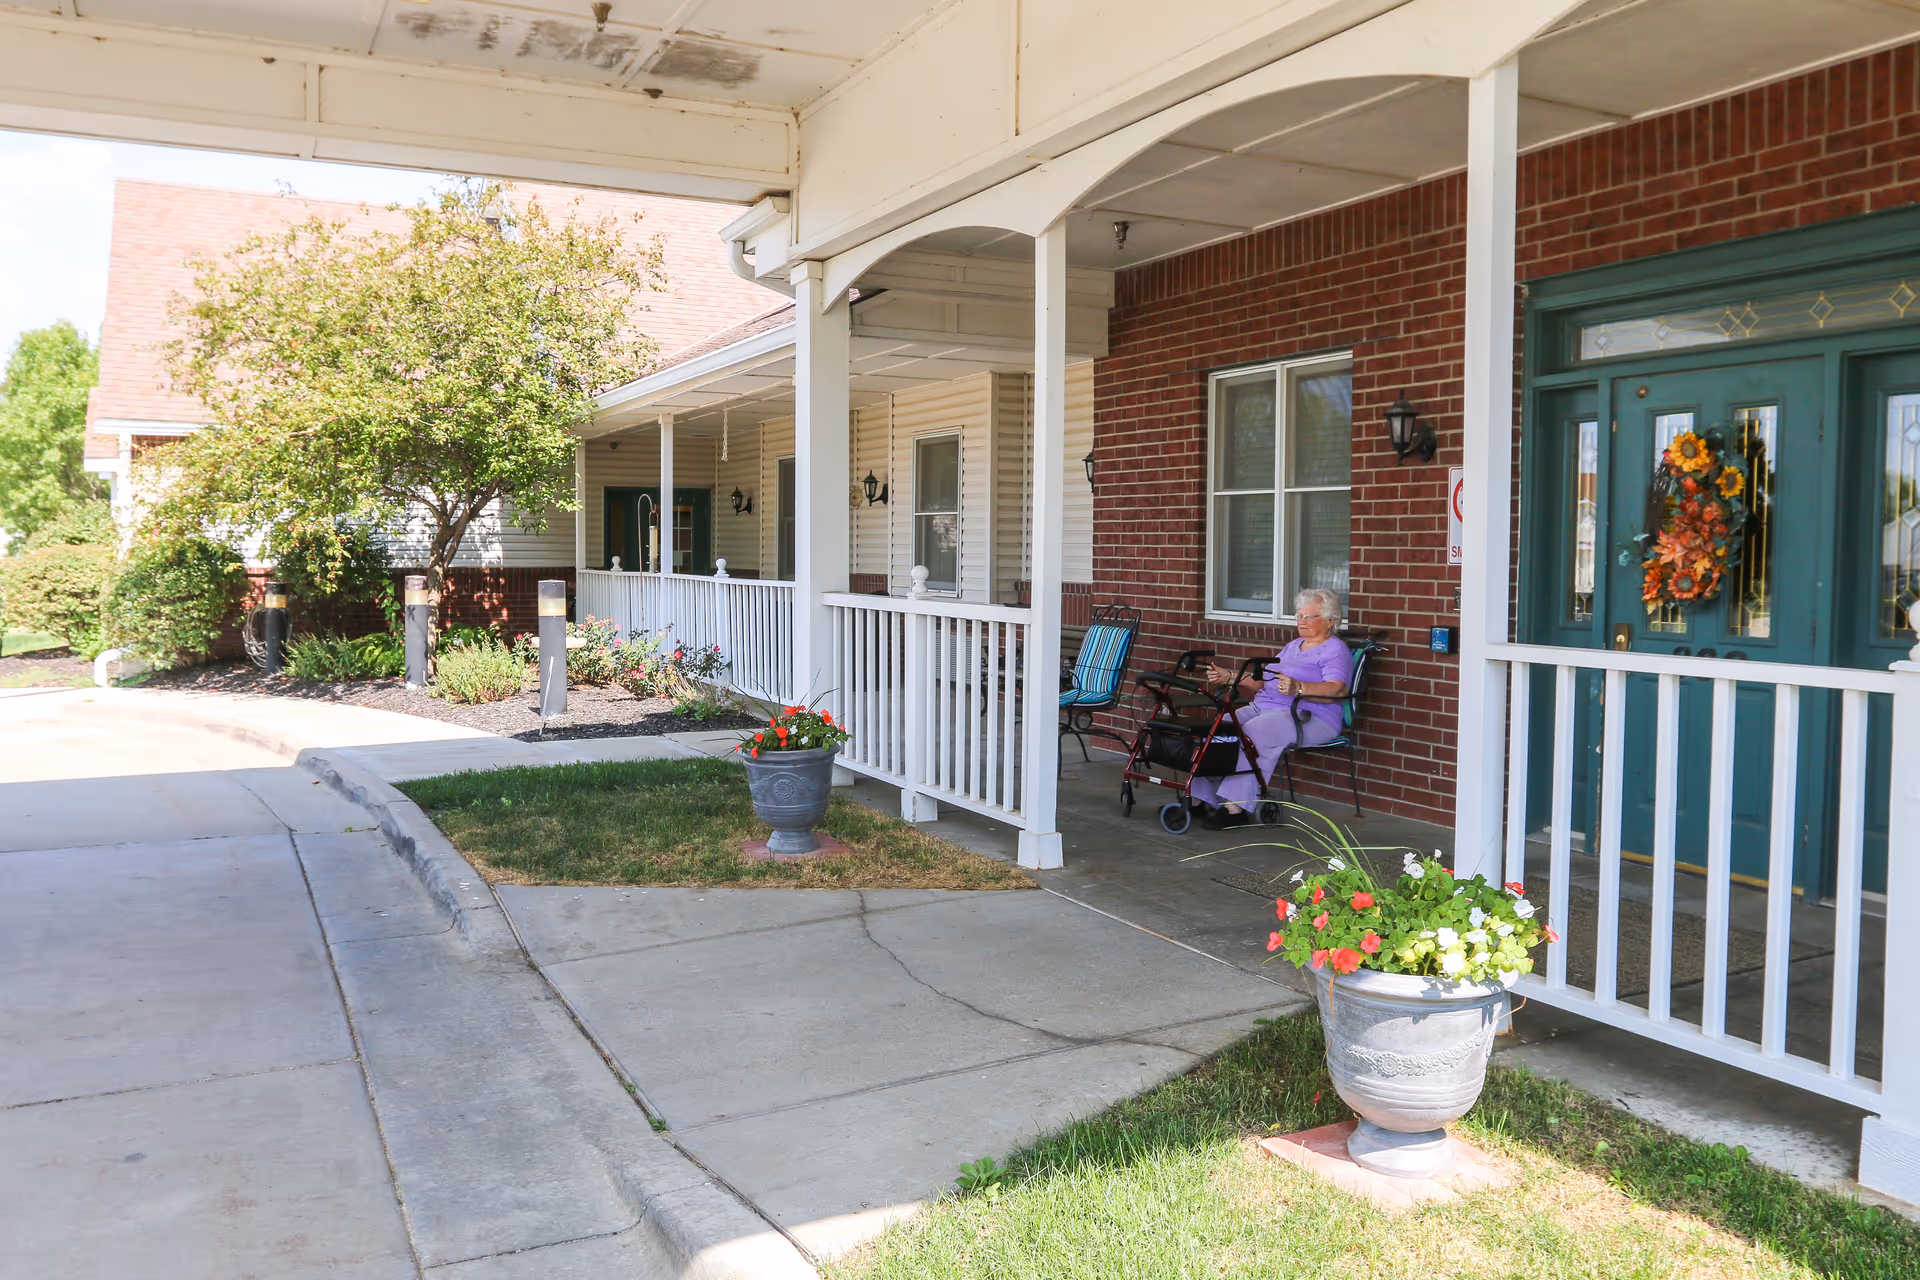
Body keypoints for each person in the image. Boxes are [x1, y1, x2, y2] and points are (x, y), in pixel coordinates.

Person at [1189, 586, 1354, 829]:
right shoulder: (1293, 646)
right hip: (1265, 709)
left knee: (1254, 733)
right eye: (1299, 615)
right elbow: (1263, 683)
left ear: (1330, 621)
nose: (1302, 621)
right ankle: (1199, 799)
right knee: (1218, 730)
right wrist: (1230, 677)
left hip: (1310, 718)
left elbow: (1338, 689)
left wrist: (1300, 688)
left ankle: (1236, 808)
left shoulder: (1335, 649)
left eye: (1310, 616)